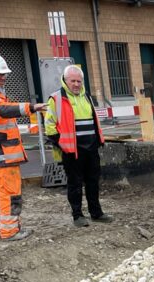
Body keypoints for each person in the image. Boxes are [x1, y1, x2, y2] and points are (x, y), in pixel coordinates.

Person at [0, 53, 47, 242]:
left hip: (6, 152)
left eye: (4, 74)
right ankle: (9, 231)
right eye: (0, 74)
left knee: (12, 191)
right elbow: (3, 110)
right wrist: (31, 107)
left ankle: (13, 227)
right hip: (2, 153)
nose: (3, 77)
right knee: (9, 193)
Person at [45, 65, 113, 227]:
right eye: (73, 81)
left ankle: (96, 213)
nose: (76, 84)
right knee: (75, 184)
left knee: (93, 182)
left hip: (91, 149)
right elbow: (49, 126)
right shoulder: (56, 99)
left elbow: (93, 122)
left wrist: (97, 141)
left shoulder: (87, 97)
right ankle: (78, 216)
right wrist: (61, 144)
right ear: (65, 80)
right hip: (72, 151)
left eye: (79, 81)